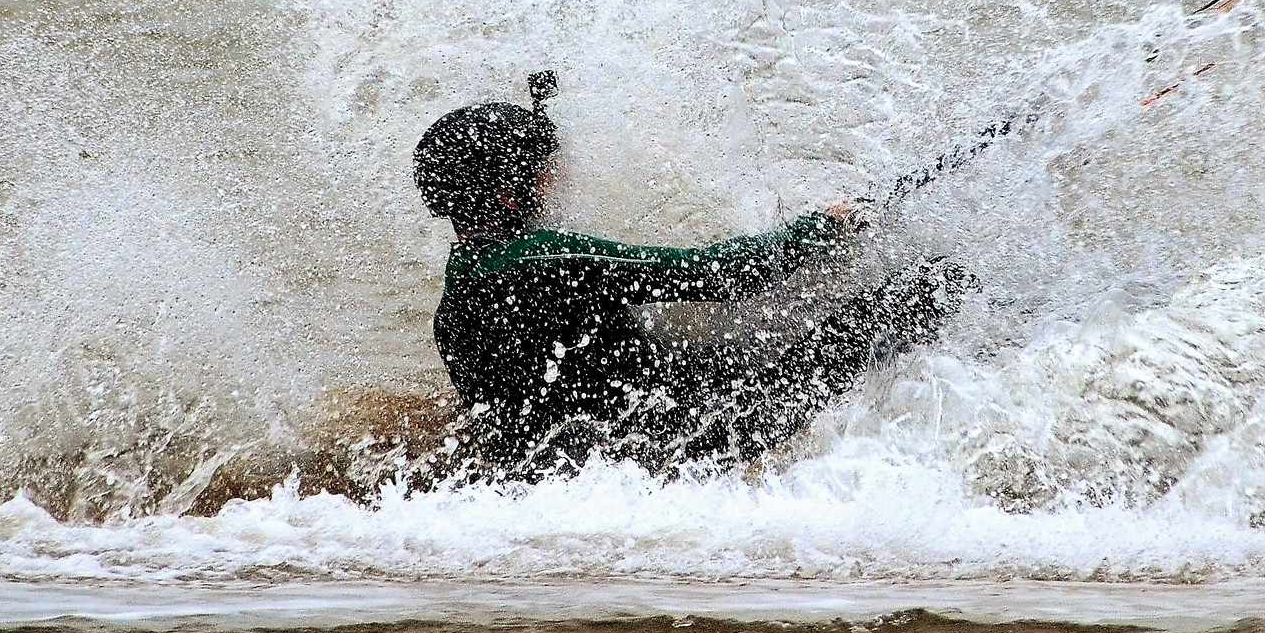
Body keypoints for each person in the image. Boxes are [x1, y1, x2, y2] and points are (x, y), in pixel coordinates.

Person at [413, 75, 967, 478]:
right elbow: (720, 276)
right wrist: (823, 225)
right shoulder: (543, 261)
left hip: (606, 464)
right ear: (510, 193)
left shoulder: (460, 293)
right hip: (695, 441)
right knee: (936, 286)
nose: (559, 182)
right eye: (546, 172)